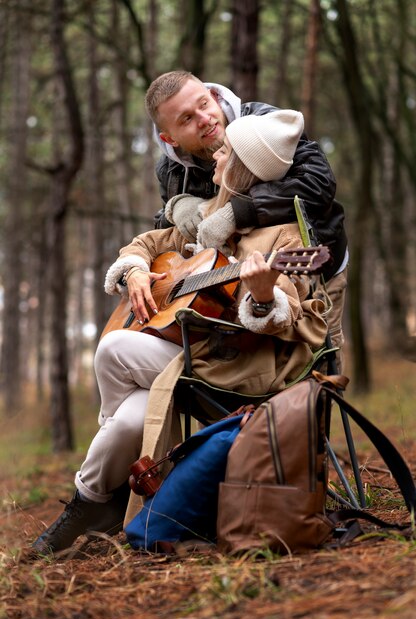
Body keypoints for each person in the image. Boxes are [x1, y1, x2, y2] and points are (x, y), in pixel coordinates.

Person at [32, 109, 328, 556]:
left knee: (113, 346)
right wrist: (134, 271)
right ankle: (92, 502)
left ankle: (116, 491)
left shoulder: (282, 237)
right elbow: (148, 244)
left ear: (243, 166)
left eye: (225, 151)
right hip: (192, 356)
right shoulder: (210, 216)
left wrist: (264, 295)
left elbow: (286, 311)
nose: (215, 158)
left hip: (238, 369)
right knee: (129, 421)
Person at [145, 71, 348, 366]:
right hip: (234, 288)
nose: (204, 119)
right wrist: (174, 210)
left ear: (214, 95)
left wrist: (237, 211)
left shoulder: (264, 124)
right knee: (249, 373)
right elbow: (171, 238)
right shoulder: (171, 172)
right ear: (169, 138)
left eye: (204, 104)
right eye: (186, 119)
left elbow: (318, 182)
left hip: (314, 266)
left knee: (318, 366)